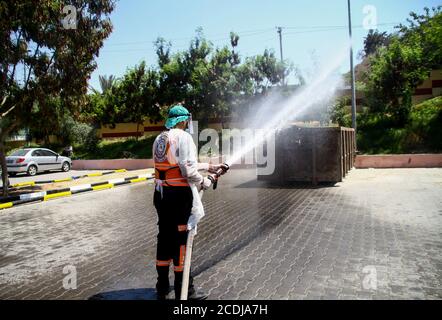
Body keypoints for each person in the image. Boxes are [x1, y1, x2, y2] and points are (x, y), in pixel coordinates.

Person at [152, 105, 227, 300]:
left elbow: (176, 166)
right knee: (181, 239)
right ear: (184, 120)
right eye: (186, 121)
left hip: (161, 194)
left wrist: (211, 167)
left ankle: (161, 286)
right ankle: (185, 291)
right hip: (178, 197)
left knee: (165, 237)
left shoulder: (161, 138)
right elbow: (187, 170)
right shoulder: (183, 137)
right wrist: (204, 181)